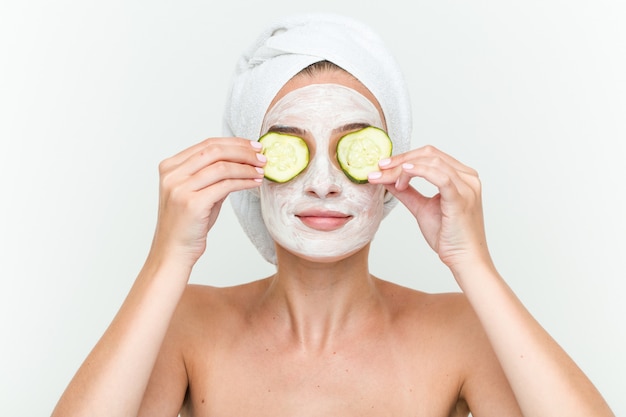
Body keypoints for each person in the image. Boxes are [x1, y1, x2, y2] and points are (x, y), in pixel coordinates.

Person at [51, 13, 614, 417]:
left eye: (354, 148)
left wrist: (473, 264)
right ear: (250, 166)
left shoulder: (460, 333)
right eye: (291, 147)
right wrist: (167, 258)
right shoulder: (188, 324)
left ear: (392, 169)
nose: (322, 183)